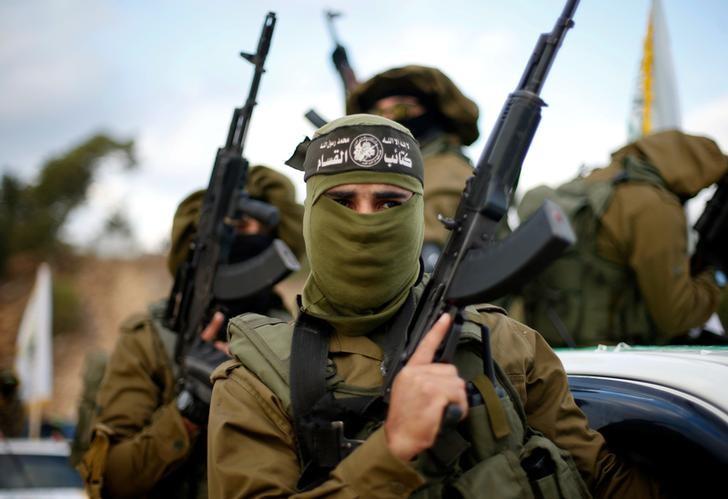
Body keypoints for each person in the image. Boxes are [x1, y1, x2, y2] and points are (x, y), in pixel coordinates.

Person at [208, 115, 662, 498]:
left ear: (417, 214)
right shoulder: (254, 382)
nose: (366, 221)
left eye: (389, 201)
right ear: (311, 215)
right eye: (343, 201)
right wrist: (392, 448)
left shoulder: (503, 344)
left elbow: (605, 479)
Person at [77, 165, 305, 498]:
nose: (250, 236)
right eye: (238, 226)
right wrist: (190, 405)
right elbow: (111, 480)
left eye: (261, 228)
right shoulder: (151, 340)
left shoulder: (298, 337)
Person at [518, 130, 727, 347]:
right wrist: (716, 278)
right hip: (615, 359)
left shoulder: (588, 184)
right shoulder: (655, 207)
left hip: (546, 349)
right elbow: (676, 316)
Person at [346, 65, 479, 270]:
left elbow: (426, 250)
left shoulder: (447, 169)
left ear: (429, 111)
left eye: (400, 109)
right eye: (380, 113)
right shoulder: (381, 173)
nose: (390, 119)